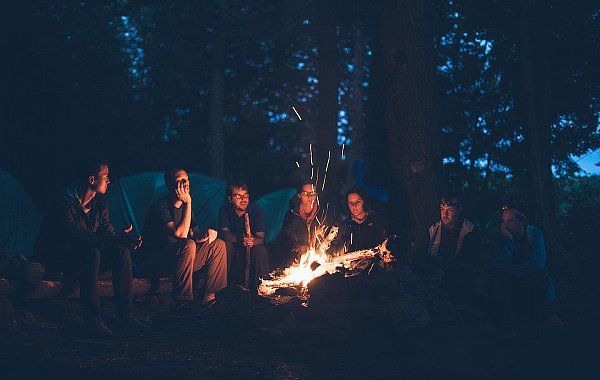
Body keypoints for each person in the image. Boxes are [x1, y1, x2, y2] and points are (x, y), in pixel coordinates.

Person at [35, 157, 147, 337]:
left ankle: (125, 315)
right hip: (61, 260)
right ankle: (92, 319)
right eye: (106, 176)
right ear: (92, 179)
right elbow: (73, 237)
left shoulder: (100, 202)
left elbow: (106, 231)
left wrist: (121, 238)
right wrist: (113, 238)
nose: (109, 181)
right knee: (91, 252)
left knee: (121, 253)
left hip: (87, 260)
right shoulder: (63, 202)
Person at [141, 169, 227, 314]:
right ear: (169, 185)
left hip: (181, 261)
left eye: (186, 180)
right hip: (157, 262)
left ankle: (210, 298)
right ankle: (182, 302)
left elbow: (194, 233)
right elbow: (180, 234)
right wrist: (188, 203)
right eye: (179, 181)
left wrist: (206, 235)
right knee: (188, 244)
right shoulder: (161, 207)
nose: (184, 184)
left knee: (218, 245)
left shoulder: (186, 207)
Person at [491, 200, 557, 338]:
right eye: (504, 221)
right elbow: (501, 265)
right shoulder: (502, 237)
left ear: (522, 221)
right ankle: (510, 328)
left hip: (529, 276)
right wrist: (508, 241)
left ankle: (543, 321)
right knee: (498, 284)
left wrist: (512, 271)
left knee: (538, 281)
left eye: (510, 220)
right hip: (510, 279)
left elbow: (538, 262)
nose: (506, 225)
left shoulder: (534, 233)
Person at [415, 196, 480, 301]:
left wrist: (444, 270)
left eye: (450, 211)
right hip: (433, 277)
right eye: (442, 210)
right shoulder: (433, 230)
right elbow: (420, 256)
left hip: (457, 283)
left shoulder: (469, 231)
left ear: (459, 211)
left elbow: (468, 262)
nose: (444, 215)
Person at [218, 181, 269, 289]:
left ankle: (261, 289)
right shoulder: (225, 210)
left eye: (245, 195)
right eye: (238, 196)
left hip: (252, 249)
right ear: (230, 199)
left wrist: (252, 241)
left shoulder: (256, 210)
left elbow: (261, 238)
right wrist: (240, 238)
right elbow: (224, 234)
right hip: (235, 248)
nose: (243, 199)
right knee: (224, 246)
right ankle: (223, 288)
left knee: (261, 250)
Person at [275, 182, 323, 267]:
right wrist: (298, 247)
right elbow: (285, 240)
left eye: (312, 193)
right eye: (305, 194)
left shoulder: (323, 215)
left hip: (320, 260)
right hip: (297, 262)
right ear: (299, 195)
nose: (309, 197)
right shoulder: (291, 216)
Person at [334, 188, 388, 253]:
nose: (354, 206)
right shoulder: (344, 226)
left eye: (357, 202)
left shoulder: (376, 221)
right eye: (351, 203)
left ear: (364, 202)